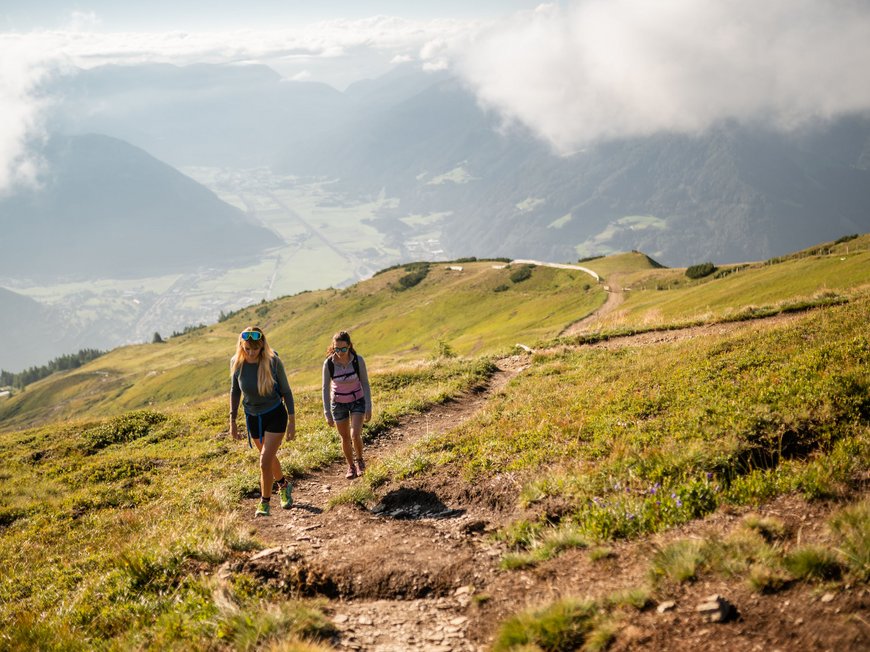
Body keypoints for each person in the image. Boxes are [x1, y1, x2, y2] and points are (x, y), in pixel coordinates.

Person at [230, 326, 295, 517]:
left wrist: (292, 421)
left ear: (262, 346)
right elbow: (235, 391)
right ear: (241, 345)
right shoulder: (236, 362)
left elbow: (287, 392)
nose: (250, 353)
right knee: (268, 457)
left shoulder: (273, 362)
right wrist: (232, 420)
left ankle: (264, 502)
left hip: (275, 414)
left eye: (255, 349)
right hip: (252, 418)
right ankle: (283, 485)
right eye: (247, 349)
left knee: (264, 461)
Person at [322, 330, 372, 479]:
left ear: (349, 346)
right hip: (338, 404)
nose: (340, 352)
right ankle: (350, 466)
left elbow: (365, 383)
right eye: (337, 349)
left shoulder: (358, 360)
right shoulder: (329, 364)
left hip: (357, 400)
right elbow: (325, 388)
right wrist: (327, 413)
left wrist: (368, 405)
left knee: (355, 434)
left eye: (343, 349)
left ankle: (360, 461)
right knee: (344, 438)